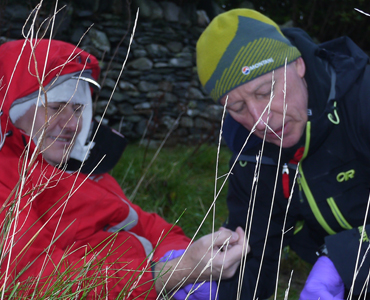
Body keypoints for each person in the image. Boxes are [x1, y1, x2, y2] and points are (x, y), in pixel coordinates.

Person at [0, 38, 247, 299]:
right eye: (56, 106)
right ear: (14, 111)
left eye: (78, 108)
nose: (71, 123)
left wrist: (185, 254)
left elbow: (148, 225)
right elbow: (34, 281)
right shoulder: (9, 183)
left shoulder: (82, 172)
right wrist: (174, 272)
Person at [196, 8, 370, 300]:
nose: (260, 120)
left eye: (265, 91)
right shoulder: (249, 149)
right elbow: (256, 247)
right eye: (237, 108)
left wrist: (347, 256)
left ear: (299, 65)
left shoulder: (362, 98)